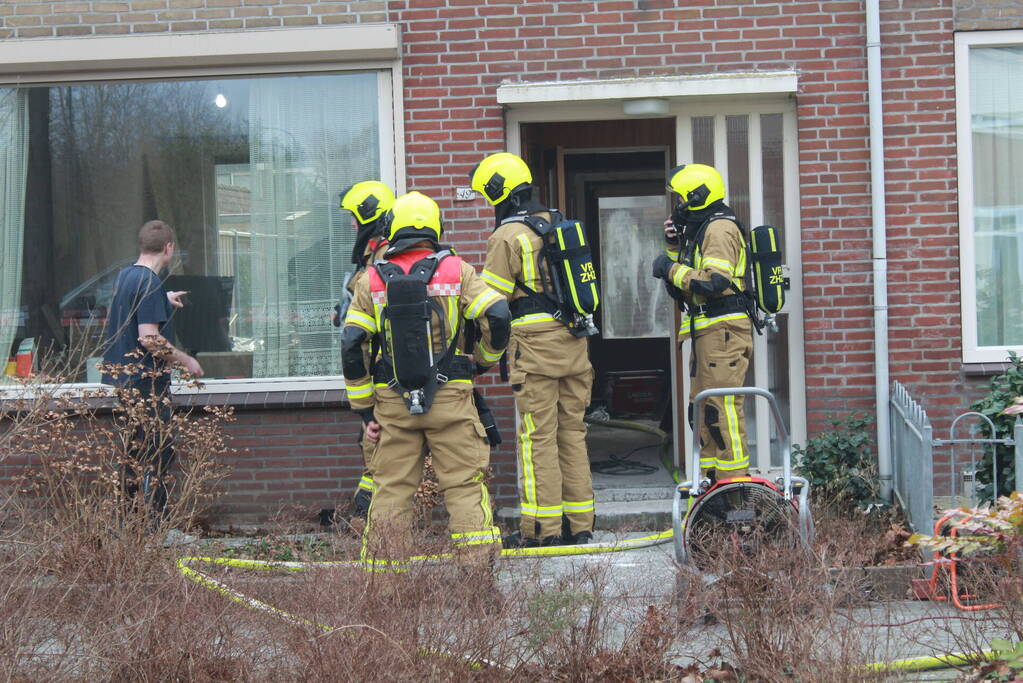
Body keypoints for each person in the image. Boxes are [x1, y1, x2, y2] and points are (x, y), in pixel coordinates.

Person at [340, 191, 511, 576]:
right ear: (435, 227)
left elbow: (353, 345)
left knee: (391, 491)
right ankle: (477, 581)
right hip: (450, 397)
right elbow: (498, 316)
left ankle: (384, 588)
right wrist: (483, 360)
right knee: (464, 487)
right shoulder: (457, 270)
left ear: (392, 229)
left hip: (392, 404)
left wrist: (365, 408)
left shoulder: (370, 280)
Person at [469, 152, 595, 548]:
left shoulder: (506, 237)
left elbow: (494, 307)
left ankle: (542, 530)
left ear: (500, 193)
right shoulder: (557, 223)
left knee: (537, 438)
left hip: (534, 349)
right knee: (573, 434)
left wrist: (482, 357)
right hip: (575, 343)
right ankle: (582, 524)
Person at [651, 163, 753, 481]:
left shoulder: (719, 229)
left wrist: (669, 267)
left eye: (681, 199)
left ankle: (736, 493)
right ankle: (712, 486)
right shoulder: (703, 230)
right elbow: (684, 287)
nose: (678, 206)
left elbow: (714, 283)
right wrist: (672, 247)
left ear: (697, 197)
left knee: (722, 412)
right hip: (708, 332)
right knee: (704, 412)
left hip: (723, 332)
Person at [101, 219, 204, 519]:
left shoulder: (126, 277)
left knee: (134, 453)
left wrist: (163, 300)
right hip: (145, 382)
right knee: (158, 453)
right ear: (168, 248)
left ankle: (130, 525)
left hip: (124, 379)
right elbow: (148, 337)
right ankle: (154, 528)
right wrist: (187, 360)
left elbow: (130, 313)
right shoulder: (149, 283)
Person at [338, 181, 396, 520]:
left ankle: (372, 520)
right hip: (371, 368)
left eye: (354, 217)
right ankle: (370, 517)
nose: (351, 225)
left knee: (379, 446)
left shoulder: (384, 257)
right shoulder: (371, 256)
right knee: (373, 444)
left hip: (381, 372)